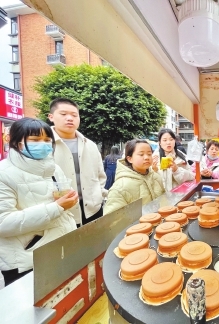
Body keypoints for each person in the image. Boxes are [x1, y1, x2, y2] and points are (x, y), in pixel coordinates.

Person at [0, 118, 77, 286]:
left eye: (47, 140)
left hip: (60, 248)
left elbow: (64, 203)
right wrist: (56, 207)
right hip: (27, 261)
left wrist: (69, 201)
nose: (43, 144)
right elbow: (3, 223)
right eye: (34, 140)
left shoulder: (53, 168)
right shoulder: (3, 174)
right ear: (16, 143)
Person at [48, 98, 107, 226]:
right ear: (51, 117)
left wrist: (99, 196)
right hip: (61, 212)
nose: (70, 118)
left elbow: (100, 175)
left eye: (74, 115)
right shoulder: (45, 144)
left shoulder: (90, 145)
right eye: (63, 114)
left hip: (93, 209)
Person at [104, 139, 165, 215]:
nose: (146, 157)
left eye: (149, 154)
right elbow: (113, 221)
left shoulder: (156, 177)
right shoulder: (120, 188)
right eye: (141, 154)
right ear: (130, 159)